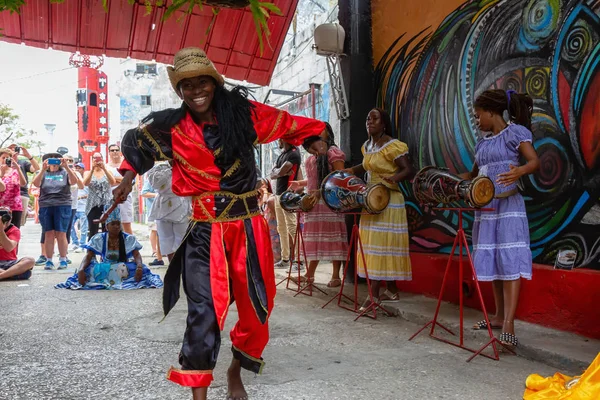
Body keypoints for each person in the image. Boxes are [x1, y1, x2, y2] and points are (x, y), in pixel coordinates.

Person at [112, 47, 326, 400]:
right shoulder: (172, 127)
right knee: (203, 313)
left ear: (214, 82)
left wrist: (313, 136)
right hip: (204, 231)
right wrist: (125, 177)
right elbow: (138, 142)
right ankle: (199, 394)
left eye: (202, 82)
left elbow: (285, 122)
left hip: (248, 227)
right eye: (187, 85)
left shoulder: (245, 114)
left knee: (259, 308)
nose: (195, 91)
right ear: (180, 91)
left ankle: (235, 369)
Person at [464, 89, 539, 349]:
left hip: (508, 206)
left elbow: (533, 161)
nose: (476, 120)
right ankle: (497, 315)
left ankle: (509, 323)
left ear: (491, 111)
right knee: (494, 259)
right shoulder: (482, 143)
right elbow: (472, 174)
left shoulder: (515, 134)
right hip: (486, 208)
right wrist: (446, 181)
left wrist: (519, 171)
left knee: (509, 259)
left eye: (477, 115)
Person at [345, 108, 414, 309]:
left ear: (384, 123)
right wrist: (352, 170)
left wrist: (394, 178)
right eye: (368, 118)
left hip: (390, 201)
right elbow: (368, 167)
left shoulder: (393, 146)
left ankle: (373, 296)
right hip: (371, 200)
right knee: (374, 246)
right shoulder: (367, 146)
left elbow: (408, 169)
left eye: (374, 118)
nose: (370, 121)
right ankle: (391, 290)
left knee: (382, 245)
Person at [288, 124, 348, 287]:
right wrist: (301, 183)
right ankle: (309, 274)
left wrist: (320, 192)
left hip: (330, 201)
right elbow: (315, 177)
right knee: (314, 239)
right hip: (314, 202)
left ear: (328, 133)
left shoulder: (333, 152)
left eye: (320, 130)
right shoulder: (315, 155)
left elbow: (339, 177)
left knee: (333, 237)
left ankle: (336, 276)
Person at [55, 206, 163, 290]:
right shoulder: (98, 238)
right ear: (107, 226)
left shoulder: (128, 238)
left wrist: (139, 267)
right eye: (113, 224)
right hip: (105, 268)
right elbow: (88, 256)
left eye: (118, 224)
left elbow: (136, 255)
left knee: (142, 269)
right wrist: (81, 269)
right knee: (90, 269)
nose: (116, 226)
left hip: (122, 268)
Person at [31, 153, 80, 270]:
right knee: (48, 233)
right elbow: (36, 184)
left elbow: (74, 181)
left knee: (61, 233)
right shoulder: (43, 173)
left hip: (63, 204)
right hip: (46, 205)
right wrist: (42, 170)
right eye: (50, 161)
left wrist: (67, 167)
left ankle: (63, 259)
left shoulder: (65, 172)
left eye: (56, 160)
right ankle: (48, 260)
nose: (53, 163)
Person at [146, 161, 191, 262]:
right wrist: (170, 169)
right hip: (162, 205)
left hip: (182, 203)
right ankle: (172, 264)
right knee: (165, 238)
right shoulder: (159, 167)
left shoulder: (186, 164)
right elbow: (155, 184)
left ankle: (181, 263)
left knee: (182, 237)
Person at [270, 139, 302, 270]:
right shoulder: (283, 154)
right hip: (278, 194)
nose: (278, 140)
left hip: (288, 195)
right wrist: (278, 172)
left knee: (292, 227)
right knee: (281, 227)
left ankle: (299, 261)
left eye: (280, 137)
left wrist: (278, 172)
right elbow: (273, 174)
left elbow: (280, 172)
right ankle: (285, 259)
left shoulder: (294, 153)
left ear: (285, 138)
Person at [83, 152, 115, 238]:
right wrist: (92, 170)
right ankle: (92, 249)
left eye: (99, 158)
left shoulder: (108, 171)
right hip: (93, 204)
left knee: (107, 228)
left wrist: (104, 169)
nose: (97, 160)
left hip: (106, 203)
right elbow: (85, 183)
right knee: (93, 229)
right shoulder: (87, 172)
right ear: (92, 159)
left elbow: (112, 182)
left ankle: (107, 248)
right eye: (95, 158)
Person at [0, 207, 35, 281]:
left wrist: (1, 230)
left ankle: (2, 275)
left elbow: (8, 248)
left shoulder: (14, 230)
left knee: (30, 260)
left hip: (10, 263)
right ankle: (11, 274)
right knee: (26, 273)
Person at [106, 143, 134, 235]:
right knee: (111, 224)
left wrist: (113, 178)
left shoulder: (126, 165)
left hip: (124, 197)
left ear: (120, 152)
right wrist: (122, 180)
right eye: (112, 150)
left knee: (126, 224)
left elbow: (131, 180)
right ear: (109, 153)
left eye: (116, 150)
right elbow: (107, 182)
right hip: (109, 198)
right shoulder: (106, 167)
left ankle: (131, 246)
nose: (114, 152)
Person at [0, 148, 27, 229]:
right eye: (3, 157)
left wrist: (18, 169)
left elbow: (23, 183)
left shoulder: (15, 170)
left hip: (15, 206)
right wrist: (1, 173)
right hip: (1, 206)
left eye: (7, 158)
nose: (5, 160)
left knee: (14, 231)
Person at [14, 145, 40, 227]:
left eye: (15, 149)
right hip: (5, 194)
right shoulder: (2, 163)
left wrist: (29, 156)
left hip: (21, 193)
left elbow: (36, 168)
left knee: (18, 222)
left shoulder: (22, 163)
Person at [141, 174, 164, 266]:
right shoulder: (150, 180)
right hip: (153, 211)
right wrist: (158, 195)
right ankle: (155, 251)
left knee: (161, 232)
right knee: (154, 231)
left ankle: (161, 252)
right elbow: (144, 193)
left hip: (163, 211)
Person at [257, 178, 281, 264]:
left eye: (262, 184)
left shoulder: (271, 198)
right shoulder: (258, 200)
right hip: (265, 230)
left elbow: (265, 201)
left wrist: (265, 192)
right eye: (259, 185)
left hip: (273, 230)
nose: (260, 187)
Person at [70, 163, 88, 250]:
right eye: (76, 167)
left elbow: (90, 194)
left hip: (83, 207)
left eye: (79, 168)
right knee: (70, 226)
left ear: (83, 169)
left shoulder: (86, 180)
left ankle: (82, 244)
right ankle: (75, 242)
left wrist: (81, 197)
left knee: (84, 227)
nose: (77, 169)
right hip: (73, 206)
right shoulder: (71, 179)